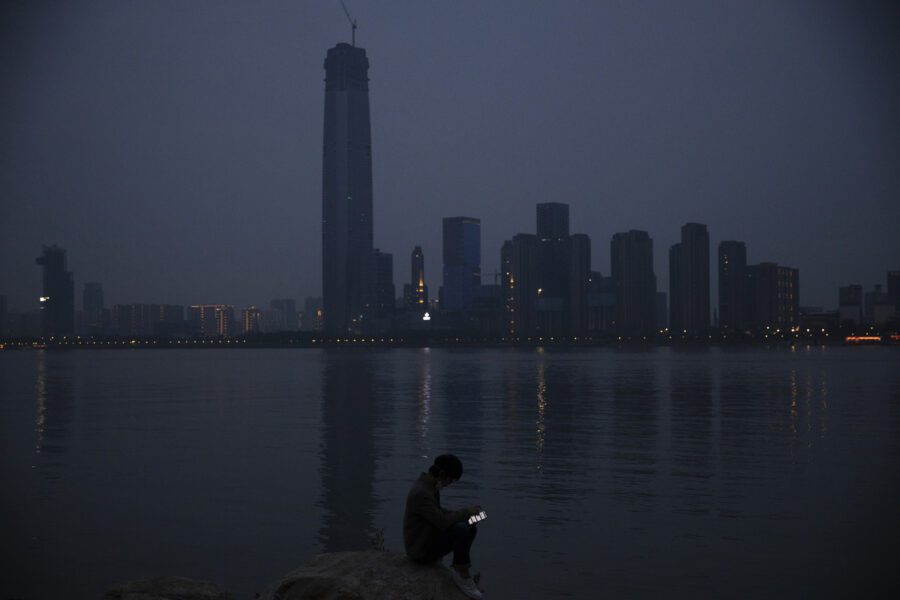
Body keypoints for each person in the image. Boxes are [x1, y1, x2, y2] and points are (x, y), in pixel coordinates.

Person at [403, 454, 483, 599]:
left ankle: (458, 566)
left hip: (429, 539)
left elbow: (438, 513)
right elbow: (441, 521)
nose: (448, 484)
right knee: (461, 529)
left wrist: (467, 516)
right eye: (450, 481)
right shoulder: (422, 493)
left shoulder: (430, 487)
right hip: (420, 550)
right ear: (441, 474)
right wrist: (465, 512)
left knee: (470, 525)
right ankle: (462, 574)